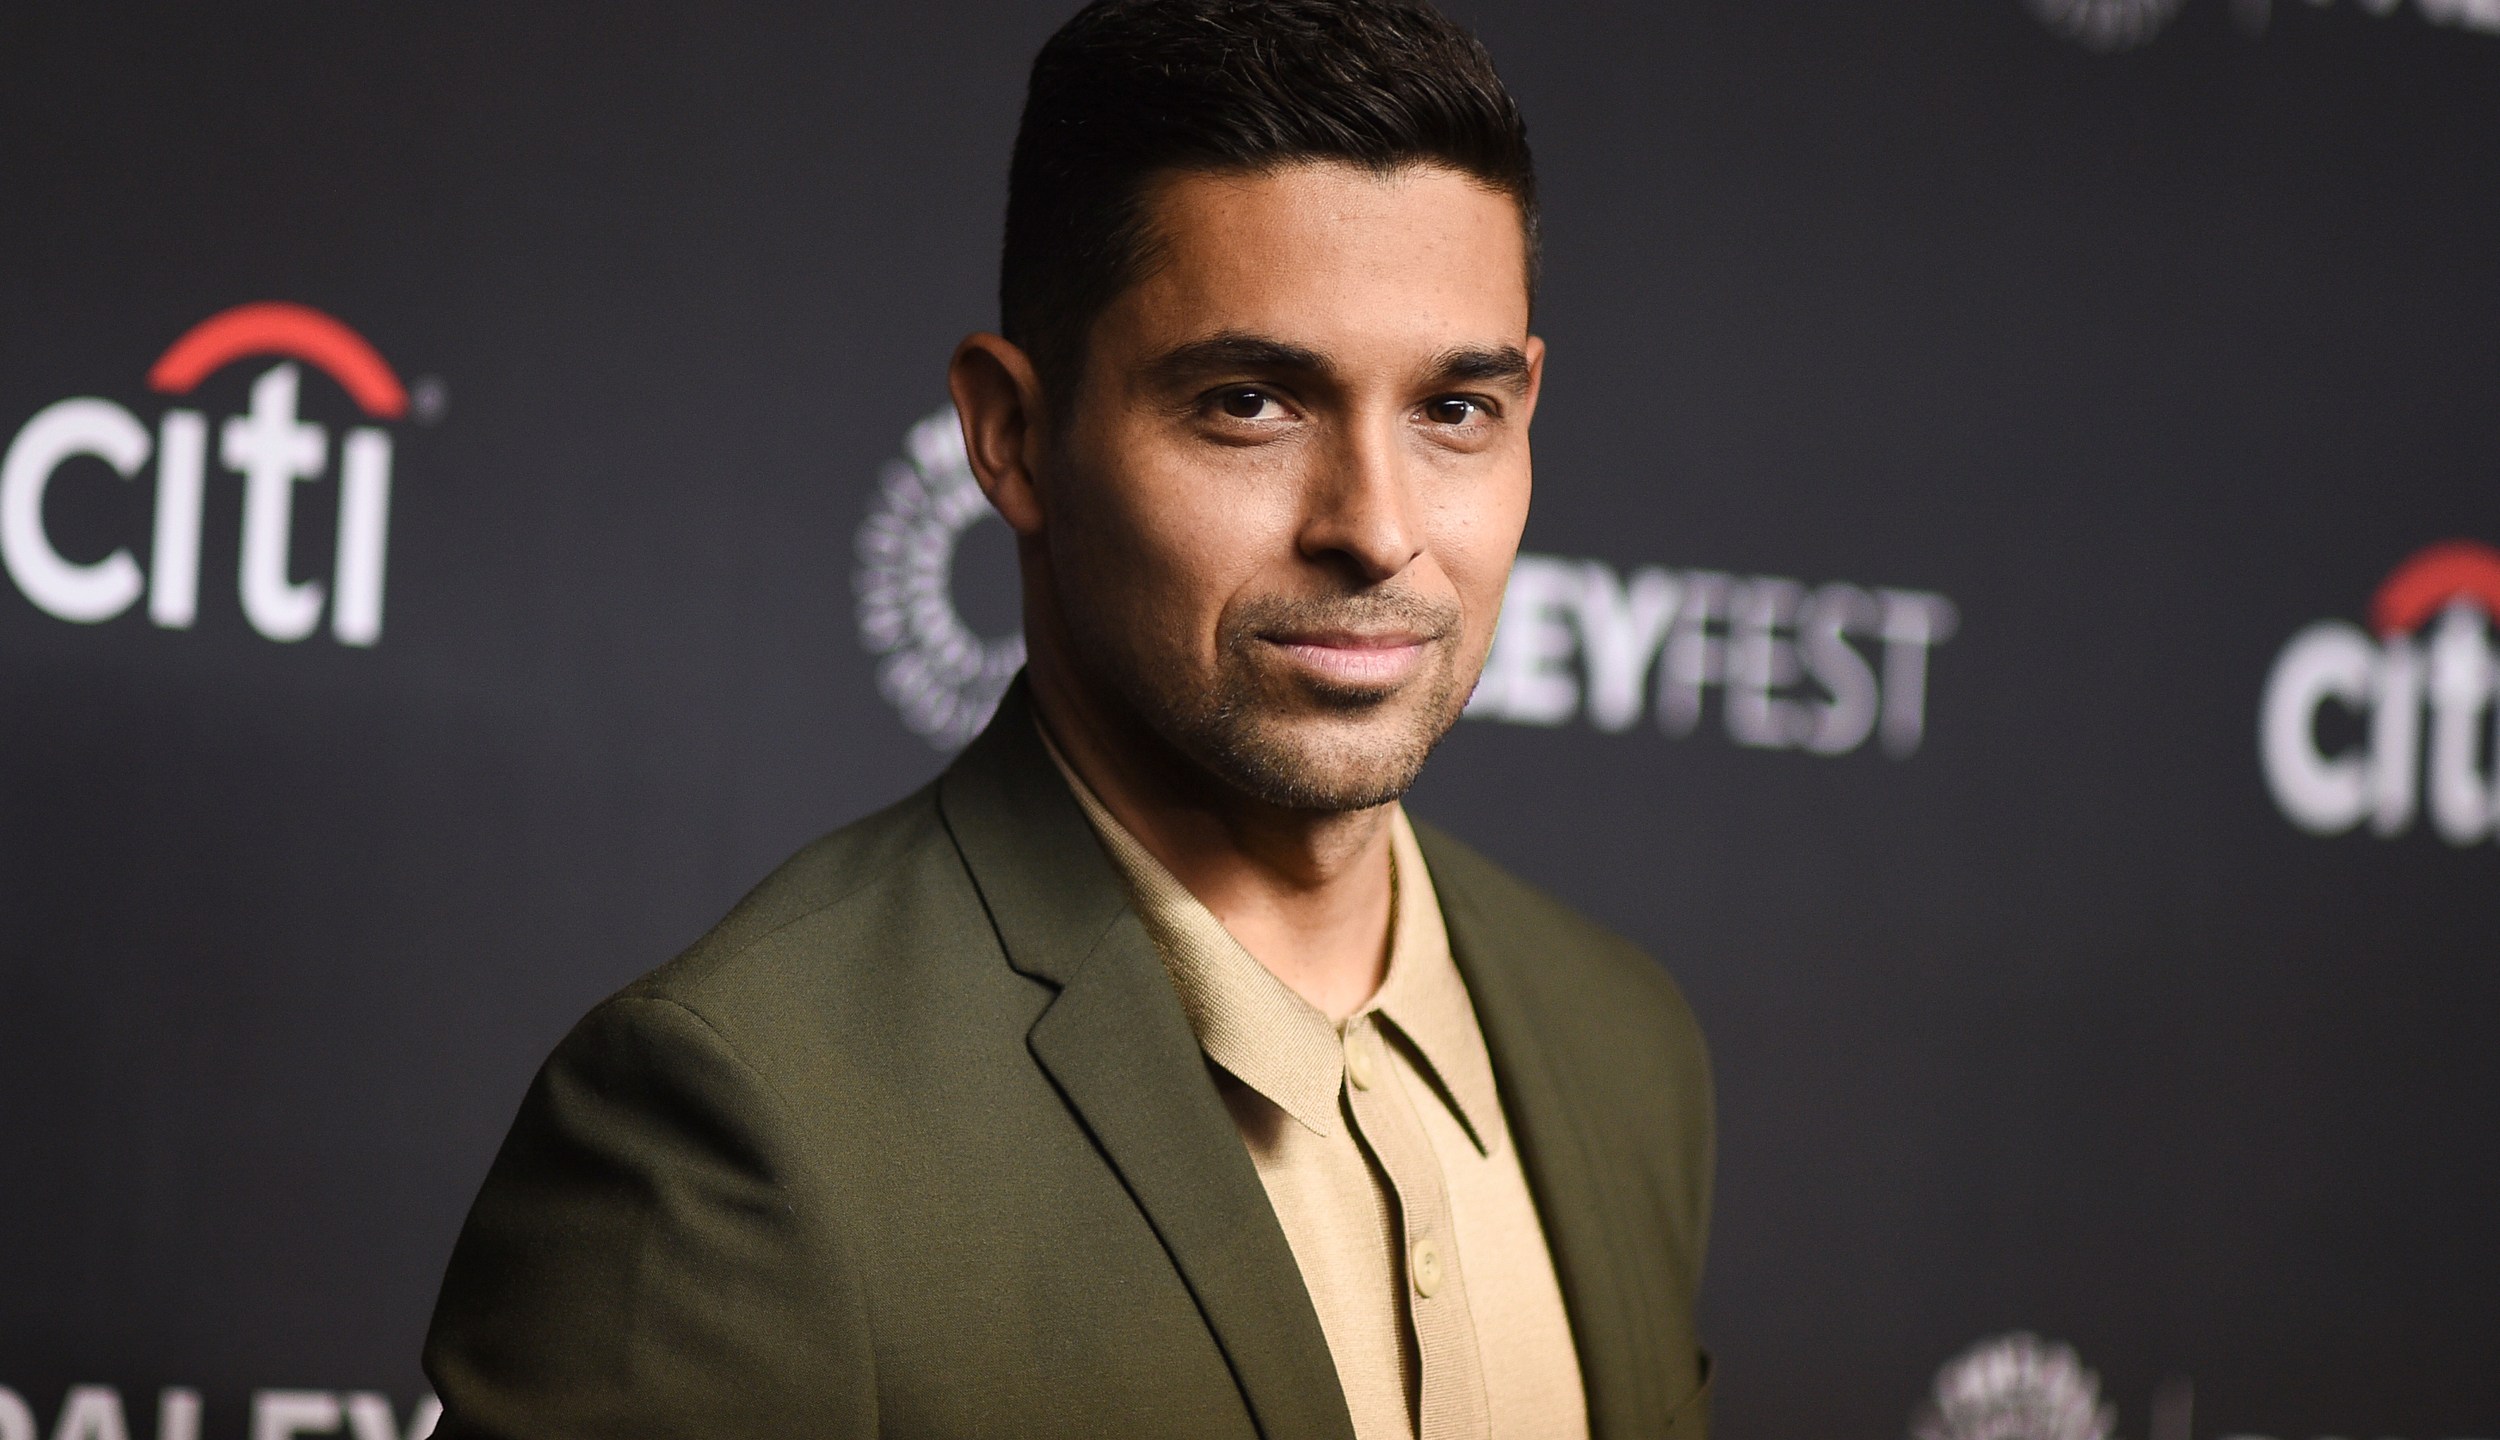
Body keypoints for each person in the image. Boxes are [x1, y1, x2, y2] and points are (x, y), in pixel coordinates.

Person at [420, 2, 1713, 1436]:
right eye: (1249, 403)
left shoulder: (1623, 1042)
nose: (1378, 529)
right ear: (1012, 435)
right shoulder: (741, 1129)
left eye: (1453, 410)